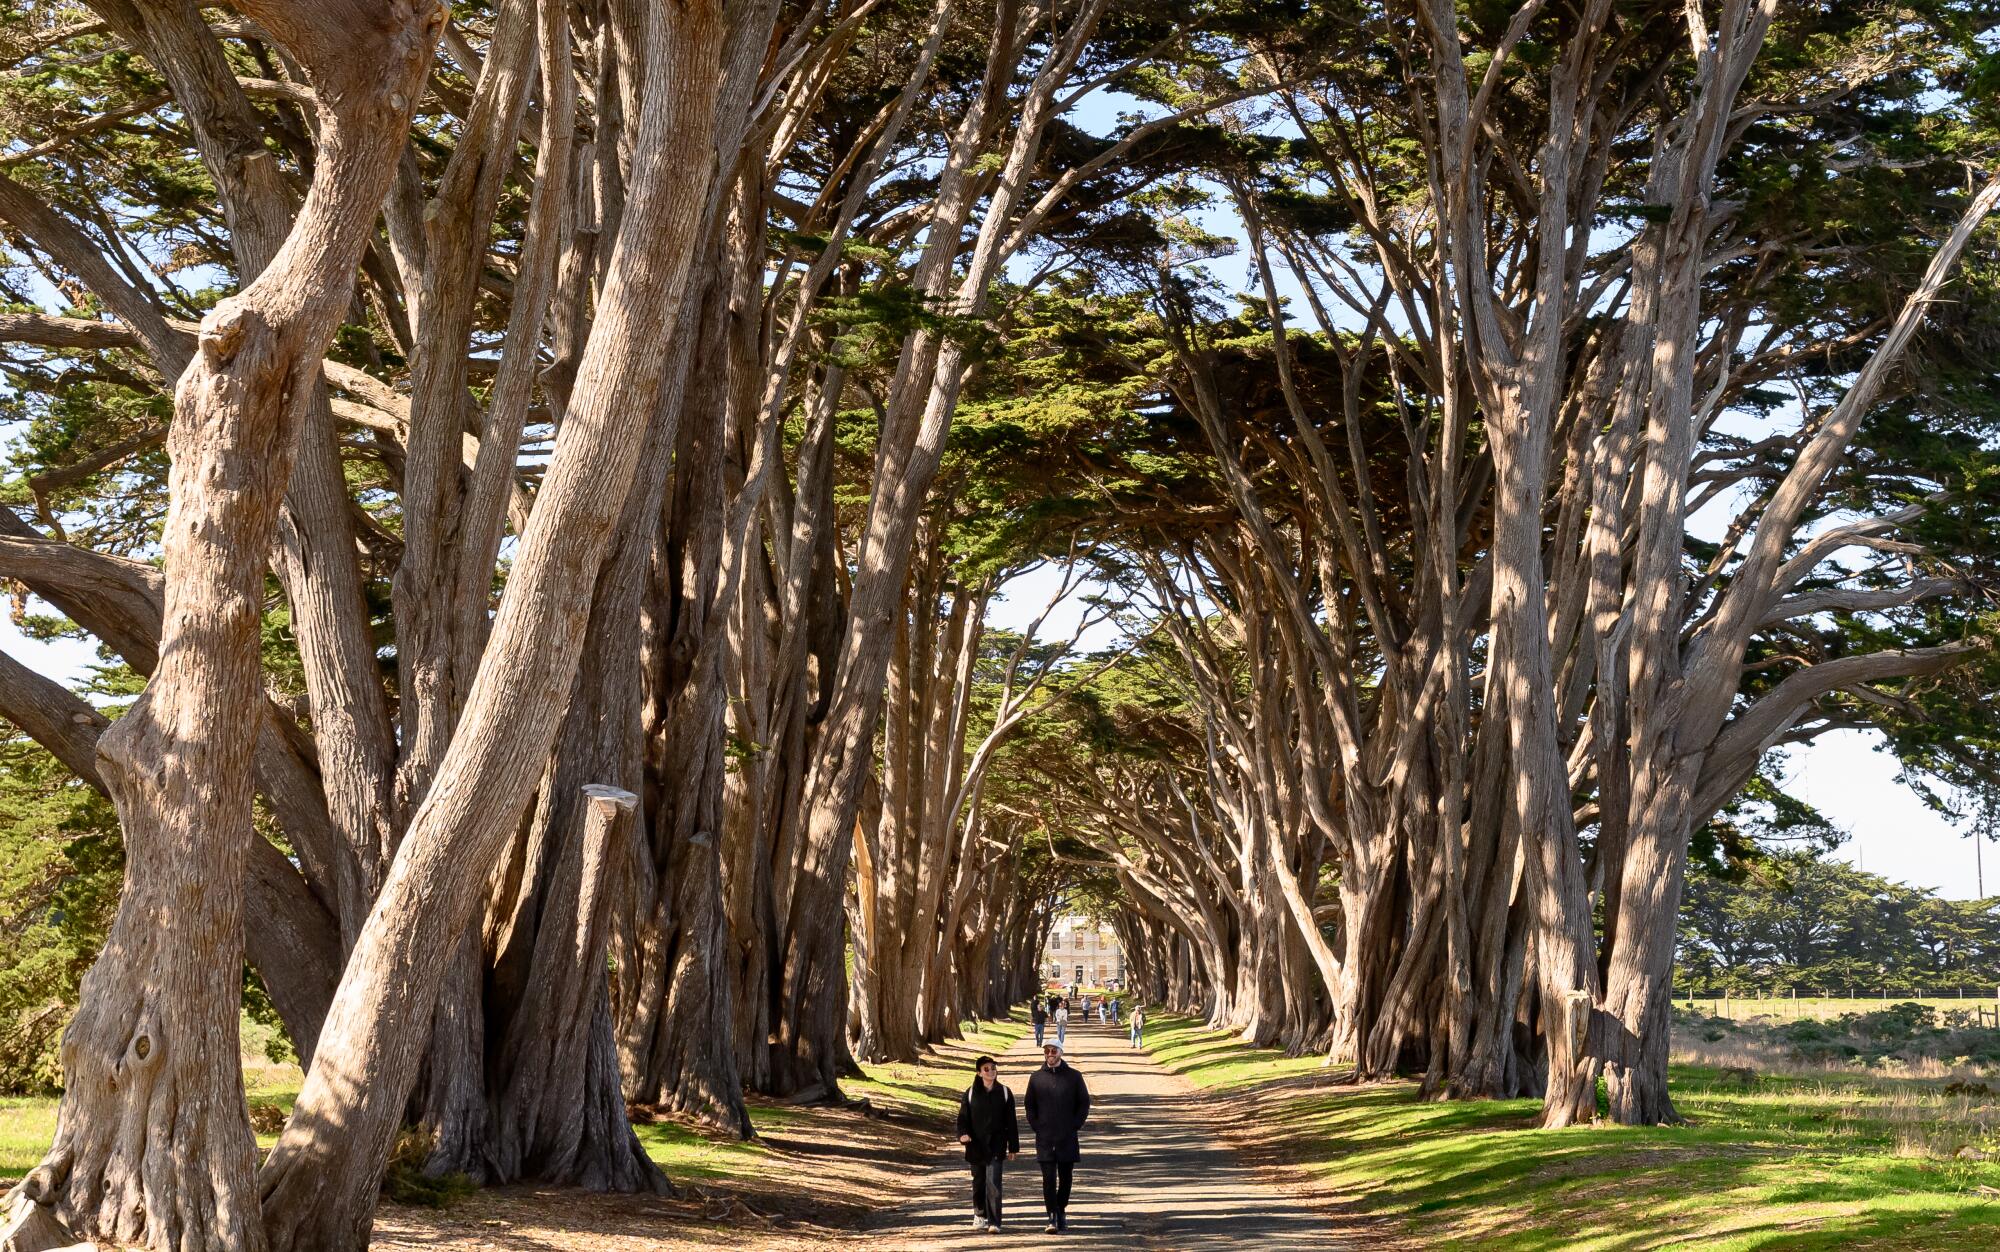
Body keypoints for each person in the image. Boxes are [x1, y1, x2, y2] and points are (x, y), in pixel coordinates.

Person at [1024, 1041, 1090, 1233]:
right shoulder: (1036, 1078)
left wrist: (1075, 1125)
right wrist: (1037, 1126)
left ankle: (1061, 1209)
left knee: (1066, 1177)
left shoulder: (1074, 1077)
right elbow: (1029, 1105)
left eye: (1053, 1051)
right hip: (1045, 1138)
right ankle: (1051, 1216)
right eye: (1047, 1051)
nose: (1050, 1054)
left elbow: (1084, 1103)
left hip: (1067, 1136)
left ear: (1061, 1052)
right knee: (1048, 1178)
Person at [955, 1054, 1020, 1233]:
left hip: (997, 1145)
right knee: (979, 1181)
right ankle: (980, 1214)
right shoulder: (969, 1093)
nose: (991, 1071)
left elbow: (1011, 1122)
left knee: (994, 1183)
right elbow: (962, 1119)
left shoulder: (1005, 1092)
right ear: (979, 1073)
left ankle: (994, 1222)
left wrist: (1013, 1146)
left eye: (993, 1068)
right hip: (975, 1145)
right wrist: (962, 1135)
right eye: (986, 1069)